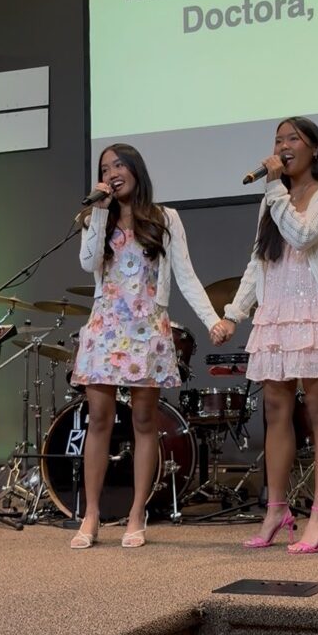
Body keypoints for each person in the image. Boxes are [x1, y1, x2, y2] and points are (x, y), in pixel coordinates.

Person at [215, 117, 318, 554]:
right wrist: (234, 314)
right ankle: (277, 509)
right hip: (276, 312)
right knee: (275, 410)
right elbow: (259, 260)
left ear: (314, 147)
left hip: (316, 308)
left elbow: (304, 233)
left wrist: (274, 188)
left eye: (291, 139)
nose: (282, 145)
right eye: (277, 139)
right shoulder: (273, 199)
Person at [70, 143, 223, 549]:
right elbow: (88, 264)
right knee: (98, 419)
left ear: (136, 170)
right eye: (105, 167)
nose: (112, 171)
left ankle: (137, 513)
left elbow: (186, 276)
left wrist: (212, 320)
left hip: (147, 328)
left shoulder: (165, 218)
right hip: (105, 325)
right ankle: (91, 514)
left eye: (119, 164)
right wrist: (99, 210)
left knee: (143, 424)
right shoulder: (93, 217)